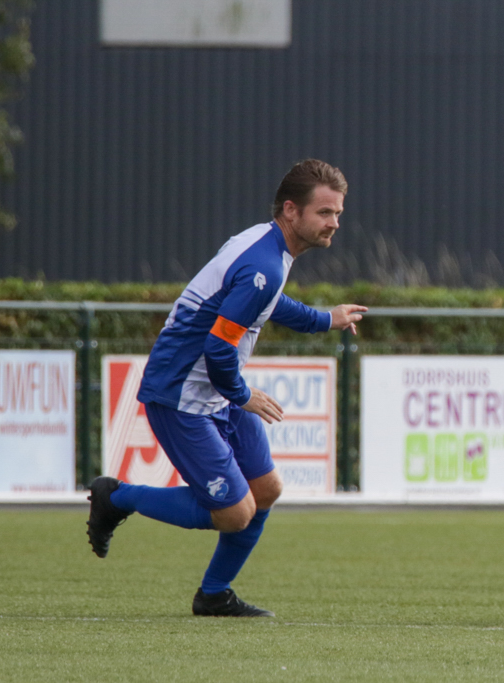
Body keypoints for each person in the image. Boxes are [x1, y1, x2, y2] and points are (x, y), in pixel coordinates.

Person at [86, 159, 368, 617]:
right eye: (325, 212)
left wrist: (324, 319)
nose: (335, 222)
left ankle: (214, 594)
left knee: (266, 489)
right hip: (181, 395)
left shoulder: (266, 247)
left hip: (215, 388)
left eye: (337, 212)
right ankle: (115, 497)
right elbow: (218, 346)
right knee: (234, 514)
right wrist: (243, 396)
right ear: (291, 210)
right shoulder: (265, 264)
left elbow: (265, 304)